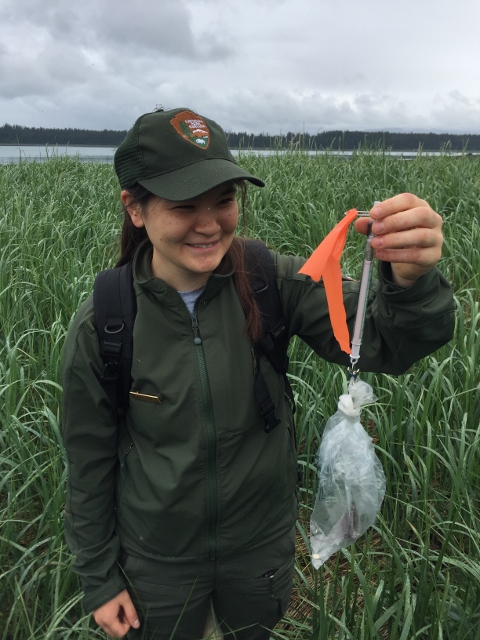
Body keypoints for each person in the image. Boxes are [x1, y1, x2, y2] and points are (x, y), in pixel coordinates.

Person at [61, 107, 454, 640]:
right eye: (183, 205)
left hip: (258, 558)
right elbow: (88, 464)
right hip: (158, 566)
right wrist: (100, 581)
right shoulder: (107, 322)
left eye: (223, 200)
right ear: (135, 208)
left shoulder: (271, 281)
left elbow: (385, 343)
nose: (209, 224)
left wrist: (410, 281)